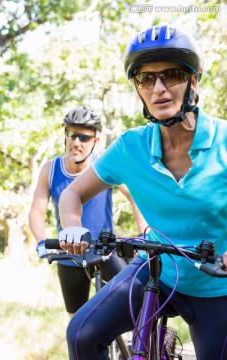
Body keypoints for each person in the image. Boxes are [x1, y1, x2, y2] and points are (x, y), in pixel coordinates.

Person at [58, 25, 227, 360]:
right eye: (146, 79)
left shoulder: (223, 141)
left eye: (172, 75)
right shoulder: (130, 147)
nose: (159, 88)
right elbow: (71, 195)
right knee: (80, 334)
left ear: (194, 81)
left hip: (216, 286)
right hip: (157, 271)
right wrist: (71, 225)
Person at [29, 105, 147, 319]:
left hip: (105, 249)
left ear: (96, 141)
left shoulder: (102, 165)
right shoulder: (51, 169)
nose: (76, 143)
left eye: (84, 137)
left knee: (133, 303)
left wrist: (142, 231)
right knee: (76, 322)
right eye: (72, 135)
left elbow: (135, 196)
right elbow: (36, 212)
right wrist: (41, 241)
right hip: (69, 254)